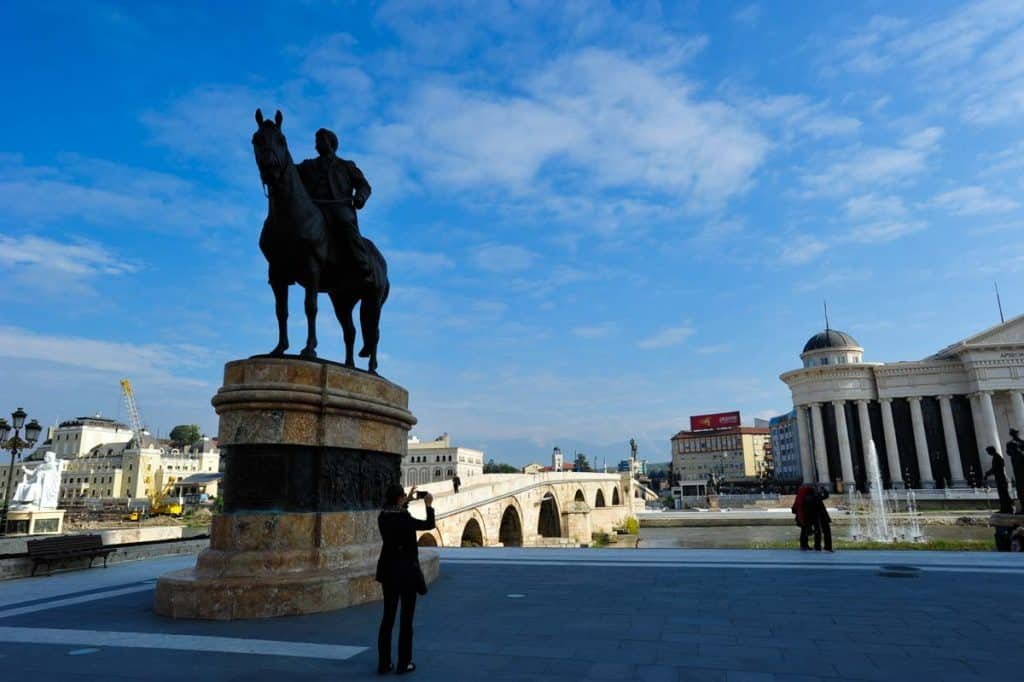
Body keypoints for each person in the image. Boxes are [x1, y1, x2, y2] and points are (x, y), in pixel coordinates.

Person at [297, 127, 374, 287]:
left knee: (345, 221)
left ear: (330, 143)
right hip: (313, 208)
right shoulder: (307, 165)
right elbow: (289, 172)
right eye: (316, 142)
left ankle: (362, 265)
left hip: (337, 207)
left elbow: (363, 185)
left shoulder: (346, 166)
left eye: (320, 141)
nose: (316, 145)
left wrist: (360, 197)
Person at [376, 484, 435, 675]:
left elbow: (395, 513)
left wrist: (407, 499)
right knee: (406, 620)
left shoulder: (383, 517)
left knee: (388, 618)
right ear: (399, 498)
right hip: (407, 573)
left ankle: (384, 664)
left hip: (388, 571)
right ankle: (404, 663)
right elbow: (428, 525)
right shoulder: (405, 519)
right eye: (402, 498)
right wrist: (428, 505)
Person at [983, 445, 1014, 514]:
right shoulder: (996, 457)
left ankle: (1007, 509)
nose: (988, 453)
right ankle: (1006, 508)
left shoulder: (997, 457)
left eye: (988, 451)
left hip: (1001, 478)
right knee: (1003, 494)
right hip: (1000, 478)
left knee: (1003, 494)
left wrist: (987, 474)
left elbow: (995, 468)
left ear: (992, 450)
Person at [807, 486, 833, 552]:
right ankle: (826, 546)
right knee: (824, 531)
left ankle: (819, 546)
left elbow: (825, 496)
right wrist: (823, 489)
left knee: (819, 531)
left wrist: (823, 490)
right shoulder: (814, 497)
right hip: (820, 516)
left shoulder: (810, 497)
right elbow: (826, 495)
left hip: (817, 516)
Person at [791, 484, 815, 550]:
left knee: (803, 531)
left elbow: (795, 508)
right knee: (805, 532)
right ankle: (804, 545)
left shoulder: (799, 497)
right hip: (804, 517)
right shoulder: (806, 497)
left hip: (800, 517)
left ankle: (804, 545)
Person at [1006, 429, 1024, 514]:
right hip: (1017, 467)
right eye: (1013, 433)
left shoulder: (1022, 442)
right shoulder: (1010, 444)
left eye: (1016, 433)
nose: (1015, 434)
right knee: (1020, 487)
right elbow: (1009, 453)